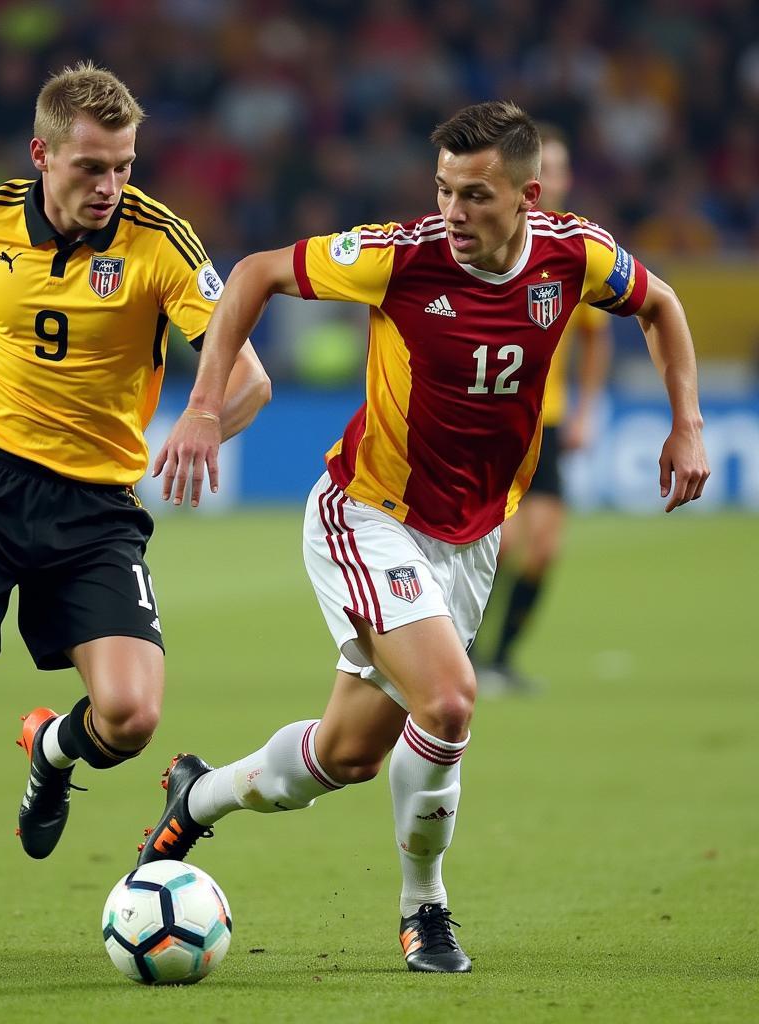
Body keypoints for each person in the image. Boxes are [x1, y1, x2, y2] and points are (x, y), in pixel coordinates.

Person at [136, 101, 709, 974]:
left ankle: (199, 796)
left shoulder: (574, 252)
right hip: (367, 514)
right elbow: (251, 273)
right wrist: (205, 409)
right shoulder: (397, 257)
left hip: (472, 535)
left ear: (528, 194)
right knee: (449, 702)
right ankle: (423, 910)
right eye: (443, 189)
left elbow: (661, 303)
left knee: (347, 755)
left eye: (476, 195)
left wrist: (687, 423)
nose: (454, 211)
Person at [0, 62, 270, 964]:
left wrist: (200, 420)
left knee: (132, 717)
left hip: (95, 507)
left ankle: (52, 750)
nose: (110, 187)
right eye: (90, 168)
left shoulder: (161, 244)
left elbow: (248, 376)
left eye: (124, 167)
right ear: (42, 155)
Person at [474, 125, 612, 693]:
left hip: (547, 421)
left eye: (558, 168)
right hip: (495, 422)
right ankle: (462, 655)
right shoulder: (486, 238)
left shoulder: (577, 251)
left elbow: (595, 336)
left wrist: (586, 409)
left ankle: (501, 658)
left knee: (545, 547)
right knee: (499, 545)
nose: (550, 178)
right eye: (543, 167)